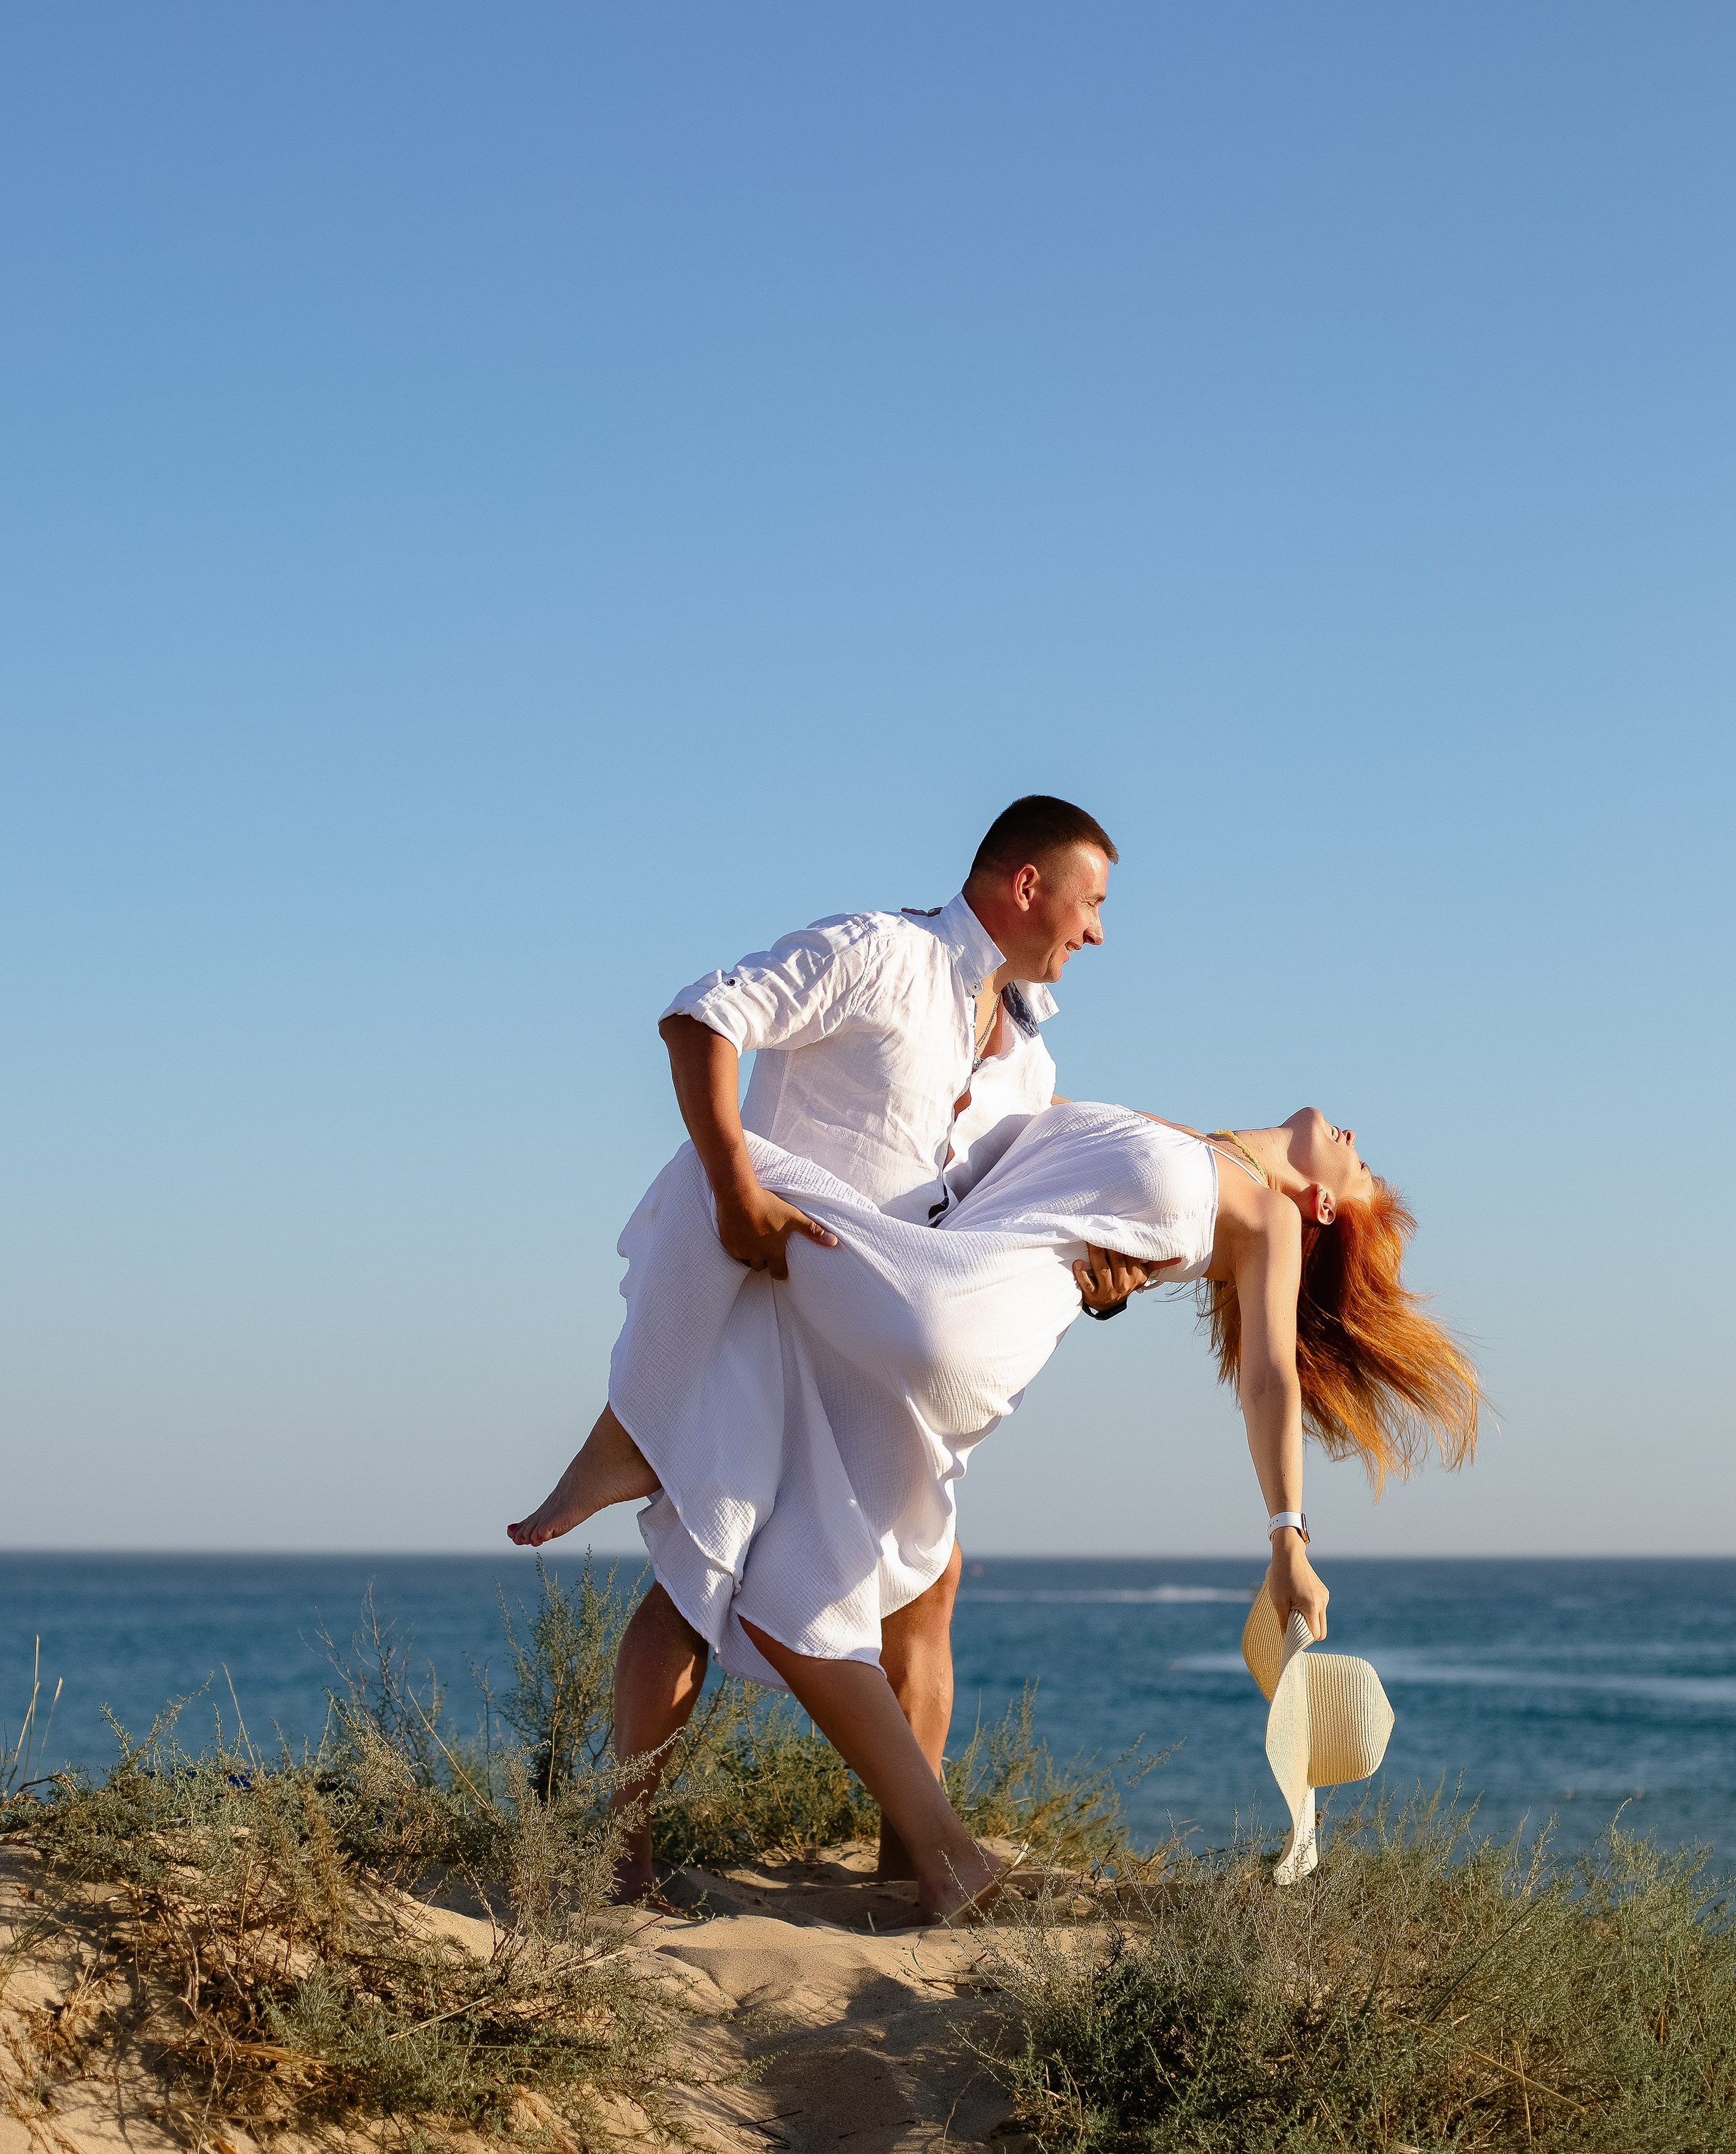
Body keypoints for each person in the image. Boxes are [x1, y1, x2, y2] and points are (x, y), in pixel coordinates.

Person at [527, 1099, 1478, 1920]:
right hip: (949, 1293)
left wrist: (1288, 1536)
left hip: (959, 1312)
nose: (1359, 1144)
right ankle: (925, 1857)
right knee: (839, 1581)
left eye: (1363, 1174)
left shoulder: (1265, 1214)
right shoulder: (1197, 1147)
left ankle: (634, 1433)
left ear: (1321, 1207)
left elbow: (1269, 1378)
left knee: (720, 1164)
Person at [509, 795, 1146, 1898]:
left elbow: (1004, 1221)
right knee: (698, 1574)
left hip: (871, 1358)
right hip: (766, 1311)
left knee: (928, 1579)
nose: (1098, 931)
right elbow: (701, 1018)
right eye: (1090, 902)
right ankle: (621, 1863)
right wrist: (734, 1192)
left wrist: (1099, 1279)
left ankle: (912, 1866)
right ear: (1027, 885)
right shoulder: (881, 953)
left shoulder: (1030, 1070)